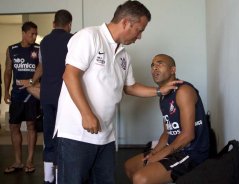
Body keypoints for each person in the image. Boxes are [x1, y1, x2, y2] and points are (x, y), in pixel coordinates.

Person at [54, 1, 181, 183]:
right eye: (139, 29)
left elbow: (129, 87)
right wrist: (86, 114)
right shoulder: (89, 36)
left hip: (105, 136)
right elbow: (70, 75)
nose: (140, 36)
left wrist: (160, 90)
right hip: (76, 133)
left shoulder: (124, 55)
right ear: (126, 23)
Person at [124, 54, 210, 183]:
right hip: (174, 148)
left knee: (140, 179)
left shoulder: (183, 91)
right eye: (152, 65)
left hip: (191, 152)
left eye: (160, 64)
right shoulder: (163, 95)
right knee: (130, 166)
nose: (155, 68)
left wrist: (160, 155)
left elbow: (188, 136)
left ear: (172, 70)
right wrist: (154, 152)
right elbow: (167, 132)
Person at [30, 9, 72, 184]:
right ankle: (60, 178)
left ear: (54, 23)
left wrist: (32, 82)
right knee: (65, 136)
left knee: (48, 136)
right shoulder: (72, 40)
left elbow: (41, 66)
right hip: (65, 96)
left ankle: (48, 178)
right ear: (69, 25)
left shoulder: (44, 41)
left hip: (46, 96)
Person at [3, 21, 40, 174]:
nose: (34, 37)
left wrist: (33, 83)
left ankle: (29, 161)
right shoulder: (12, 49)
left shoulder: (38, 49)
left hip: (33, 95)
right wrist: (5, 92)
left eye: (36, 34)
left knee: (32, 126)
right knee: (14, 126)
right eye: (32, 34)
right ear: (24, 33)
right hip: (17, 95)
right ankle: (18, 161)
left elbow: (42, 68)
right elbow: (7, 71)